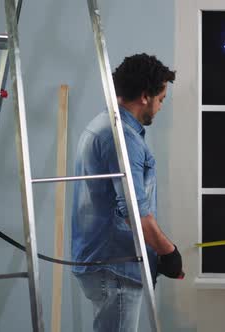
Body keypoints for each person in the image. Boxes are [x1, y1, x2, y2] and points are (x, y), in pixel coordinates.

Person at [72, 53, 183, 331]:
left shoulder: (102, 125)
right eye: (160, 100)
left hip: (106, 260)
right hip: (115, 265)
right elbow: (134, 210)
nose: (159, 108)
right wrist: (168, 252)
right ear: (145, 96)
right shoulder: (122, 138)